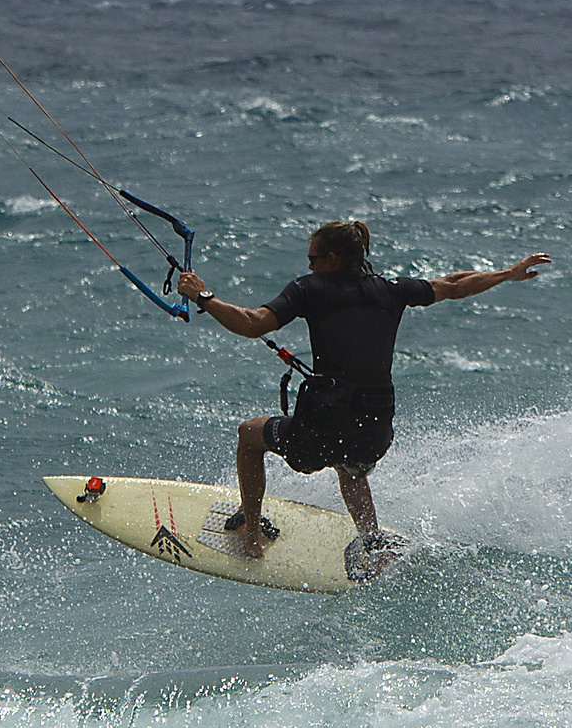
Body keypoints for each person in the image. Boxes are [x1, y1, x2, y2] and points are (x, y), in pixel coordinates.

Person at [176, 221, 550, 569]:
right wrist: (507, 273)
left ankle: (252, 535)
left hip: (320, 432)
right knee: (351, 464)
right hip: (374, 432)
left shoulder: (310, 288)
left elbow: (253, 323)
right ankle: (371, 540)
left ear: (331, 259)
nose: (309, 265)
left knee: (249, 434)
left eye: (312, 258)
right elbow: (453, 284)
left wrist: (203, 296)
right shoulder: (391, 290)